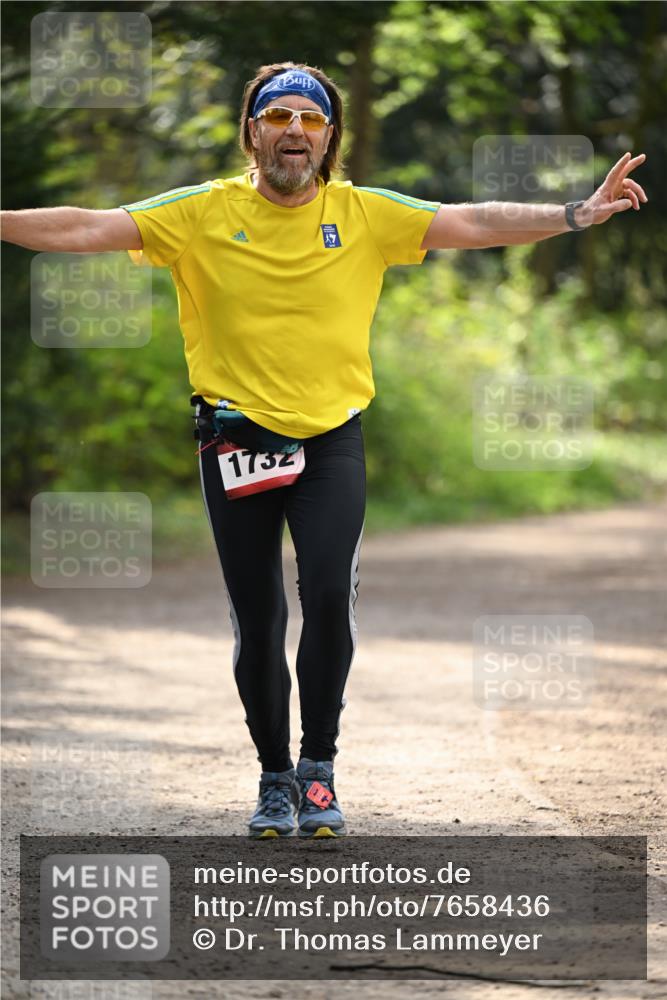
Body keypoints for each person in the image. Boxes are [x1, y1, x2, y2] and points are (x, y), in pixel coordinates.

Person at [1, 61, 647, 839]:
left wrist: (575, 213)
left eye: (310, 119)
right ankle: (272, 775)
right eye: (279, 118)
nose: (295, 132)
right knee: (259, 617)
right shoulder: (199, 212)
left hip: (331, 438)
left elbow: (472, 222)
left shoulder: (364, 212)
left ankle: (317, 770)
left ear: (330, 137)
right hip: (234, 438)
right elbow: (86, 226)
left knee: (329, 597)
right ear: (252, 132)